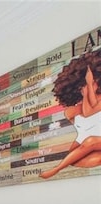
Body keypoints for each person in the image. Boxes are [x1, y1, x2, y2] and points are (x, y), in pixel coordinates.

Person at [40, 50, 101, 179]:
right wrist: (87, 90)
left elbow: (89, 112)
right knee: (76, 160)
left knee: (89, 141)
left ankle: (56, 169)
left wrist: (89, 85)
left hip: (93, 140)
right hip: (87, 138)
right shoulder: (73, 110)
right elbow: (88, 109)